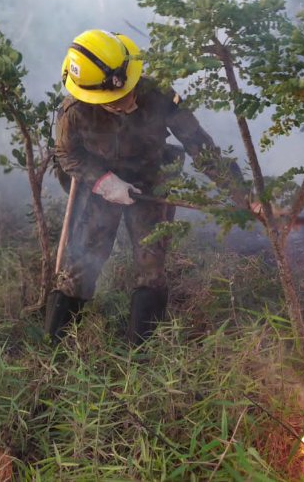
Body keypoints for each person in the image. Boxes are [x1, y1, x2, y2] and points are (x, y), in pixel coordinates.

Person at [47, 29, 247, 344]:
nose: (126, 101)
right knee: (82, 262)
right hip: (100, 186)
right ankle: (52, 347)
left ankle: (140, 355)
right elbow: (66, 154)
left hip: (151, 183)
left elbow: (200, 147)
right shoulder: (74, 111)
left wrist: (243, 195)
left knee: (151, 263)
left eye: (127, 90)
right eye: (114, 101)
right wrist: (102, 181)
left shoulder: (158, 96)